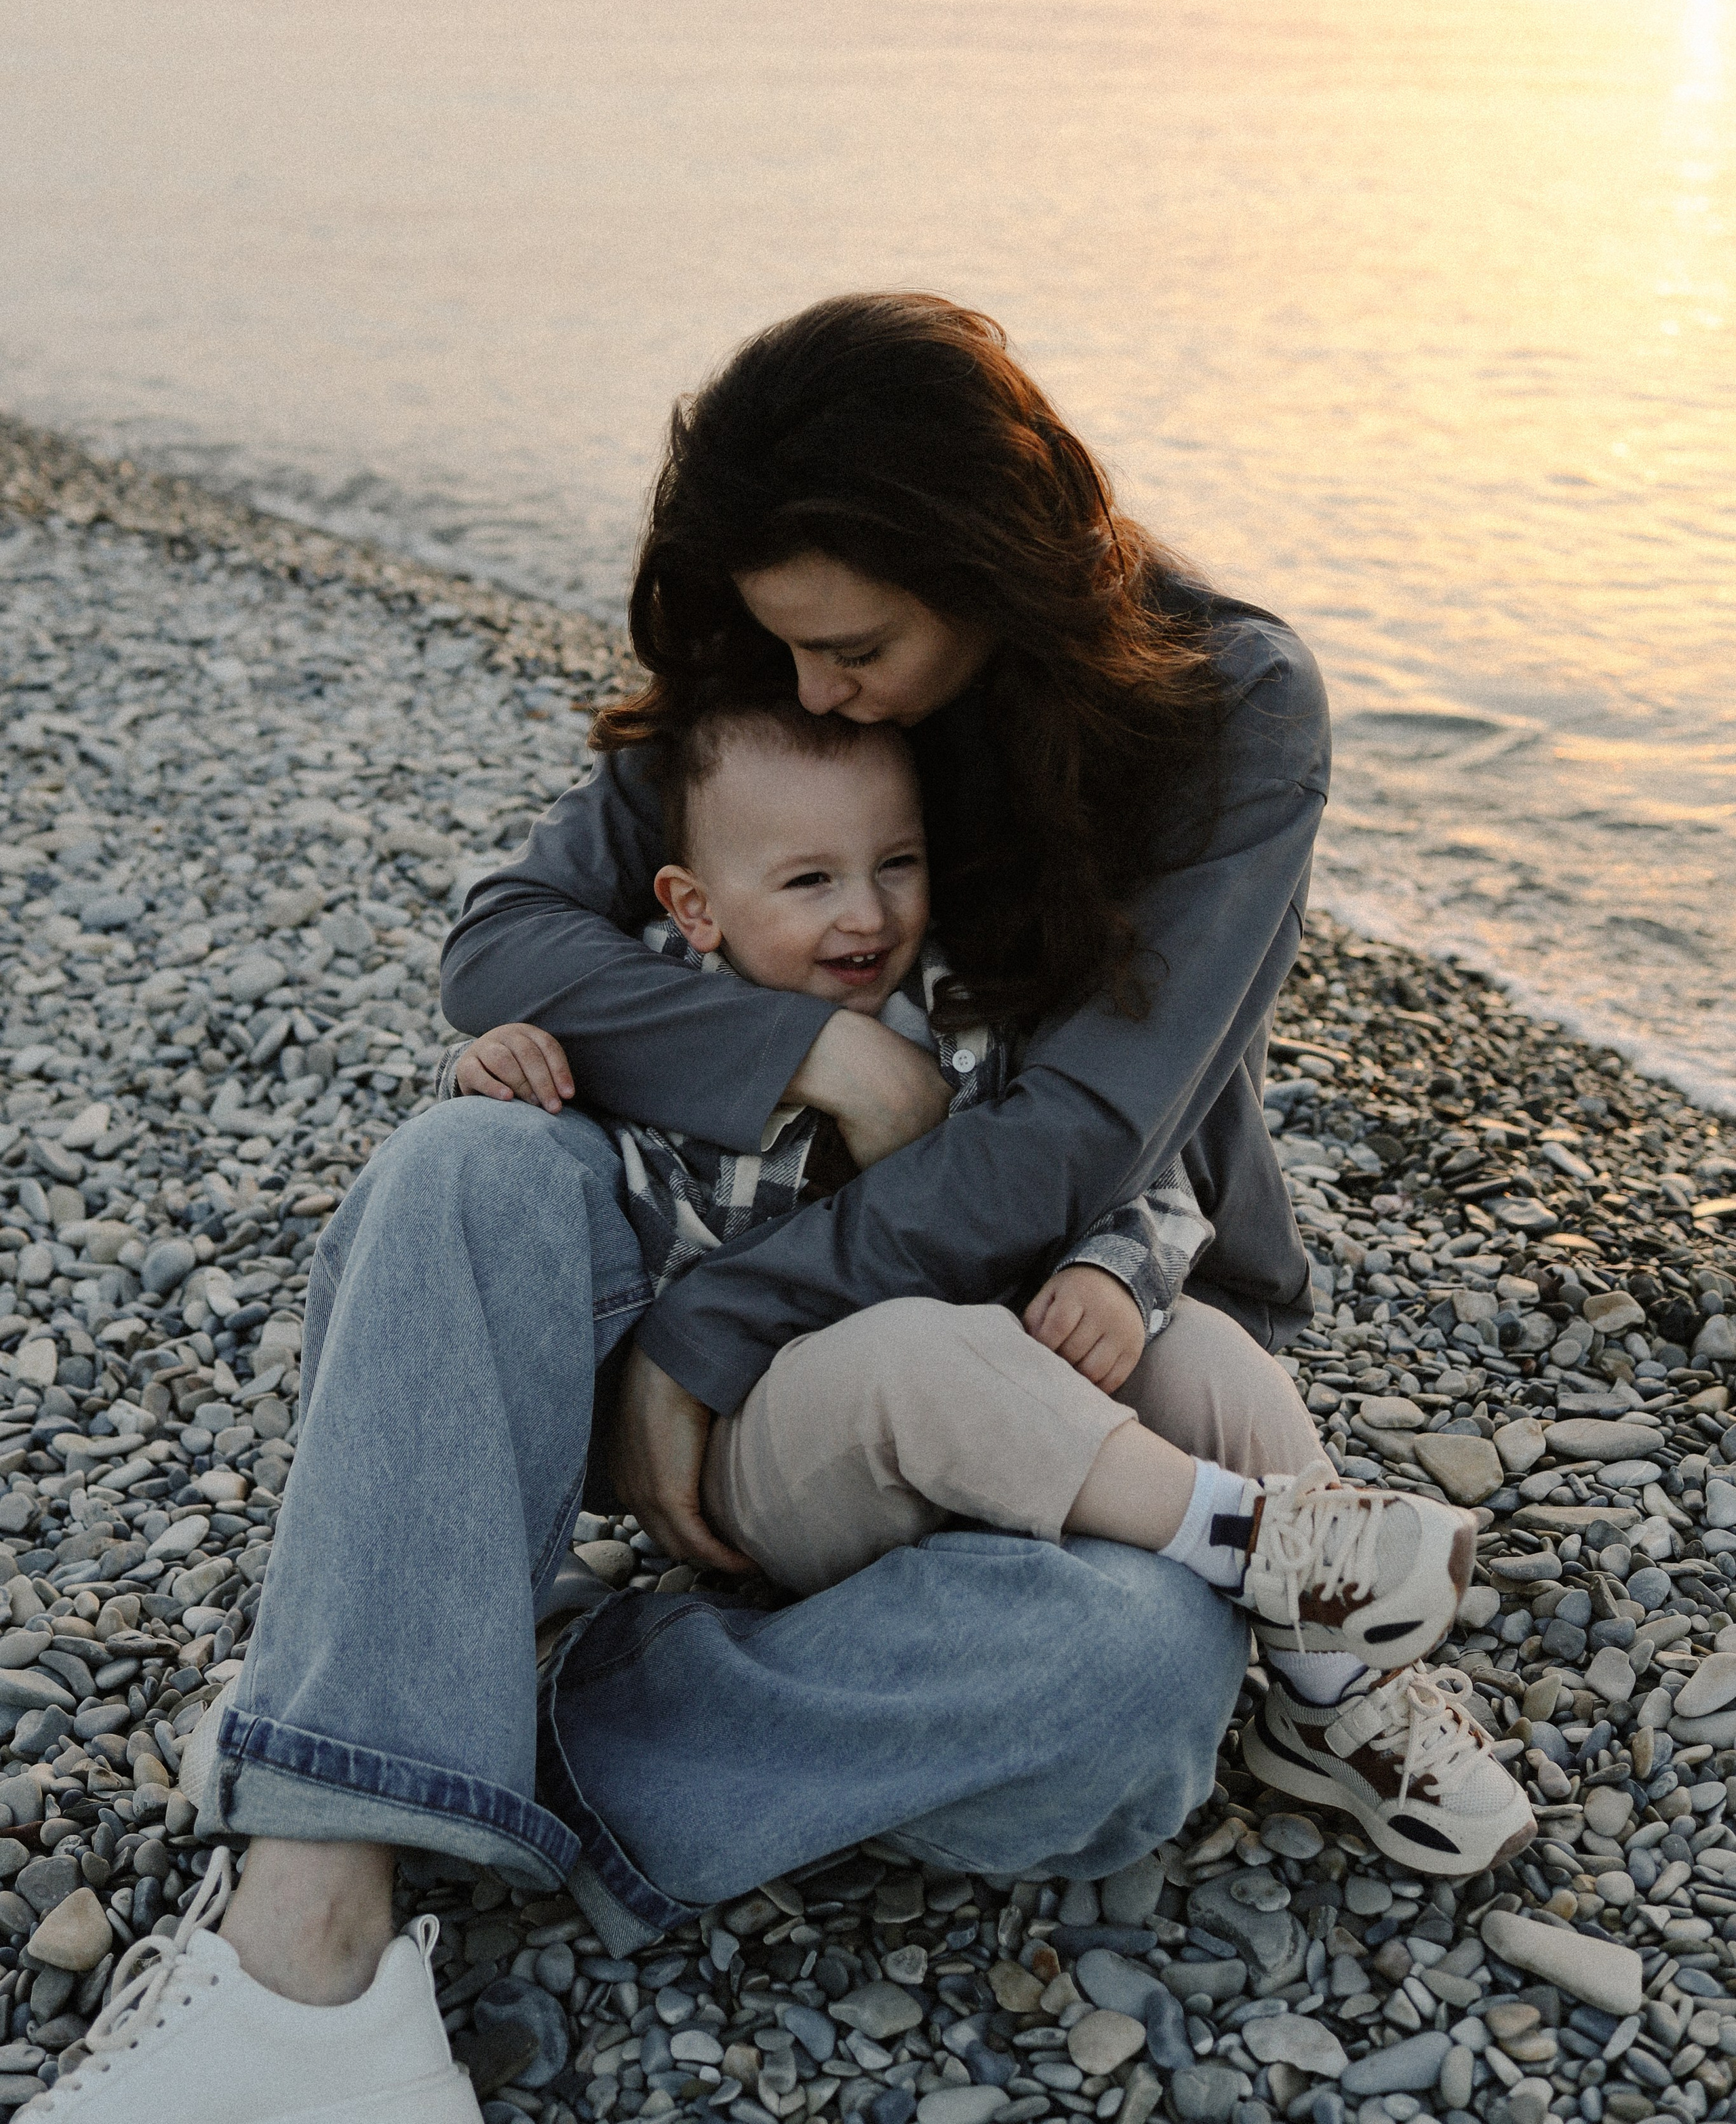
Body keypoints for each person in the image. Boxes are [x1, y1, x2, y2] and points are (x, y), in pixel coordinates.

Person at [33, 296, 1531, 2124]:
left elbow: (1072, 1149)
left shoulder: (1227, 712)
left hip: (1069, 1301)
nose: (815, 691)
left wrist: (706, 1335)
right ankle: (309, 1947)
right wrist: (814, 1060)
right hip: (747, 1293)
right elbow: (506, 939)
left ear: (983, 564)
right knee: (470, 1161)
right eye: (786, 648)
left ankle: (428, 1722)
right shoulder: (779, 678)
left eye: (857, 649)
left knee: (1139, 1678)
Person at [454, 695, 1480, 1699]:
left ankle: (1347, 1691)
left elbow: (1133, 1160)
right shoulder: (650, 1013)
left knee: (1210, 1356)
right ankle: (1248, 1539)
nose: (867, 912)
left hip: (1002, 1386)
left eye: (896, 864)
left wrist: (1112, 1269)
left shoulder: (973, 1004)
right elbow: (506, 1169)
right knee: (919, 1355)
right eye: (810, 880)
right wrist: (490, 1066)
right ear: (696, 907)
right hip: (762, 1448)